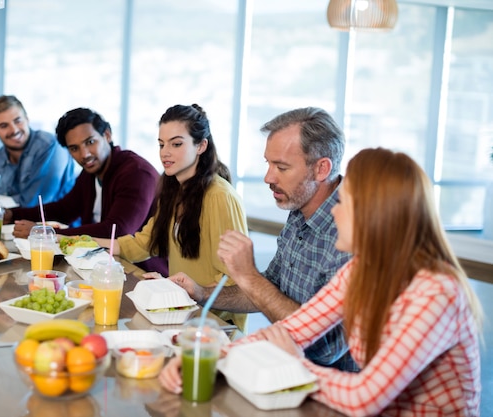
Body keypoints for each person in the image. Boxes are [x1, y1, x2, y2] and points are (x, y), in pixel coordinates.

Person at [160, 147, 483, 416]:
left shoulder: (435, 292)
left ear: (375, 215)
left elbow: (364, 397)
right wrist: (207, 356)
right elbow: (291, 330)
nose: (335, 213)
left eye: (345, 202)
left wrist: (297, 368)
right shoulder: (361, 270)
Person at [169, 107, 355, 370]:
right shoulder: (300, 207)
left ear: (321, 169)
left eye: (281, 167)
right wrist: (200, 292)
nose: (269, 177)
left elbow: (324, 348)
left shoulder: (352, 233)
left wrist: (248, 275)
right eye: (268, 163)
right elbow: (270, 290)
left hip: (327, 393)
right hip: (284, 368)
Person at [95, 104, 249, 328]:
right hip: (181, 313)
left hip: (214, 324)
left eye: (176, 144)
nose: (164, 152)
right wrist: (85, 243)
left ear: (201, 146)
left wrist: (177, 292)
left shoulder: (220, 197)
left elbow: (236, 279)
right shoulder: (174, 189)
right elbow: (143, 243)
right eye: (161, 144)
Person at [5, 107, 166, 273]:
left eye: (90, 142)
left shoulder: (136, 173)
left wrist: (49, 234)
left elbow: (116, 231)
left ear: (107, 135)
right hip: (102, 263)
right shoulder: (91, 171)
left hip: (142, 273)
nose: (85, 154)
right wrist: (14, 215)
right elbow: (65, 209)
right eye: (74, 148)